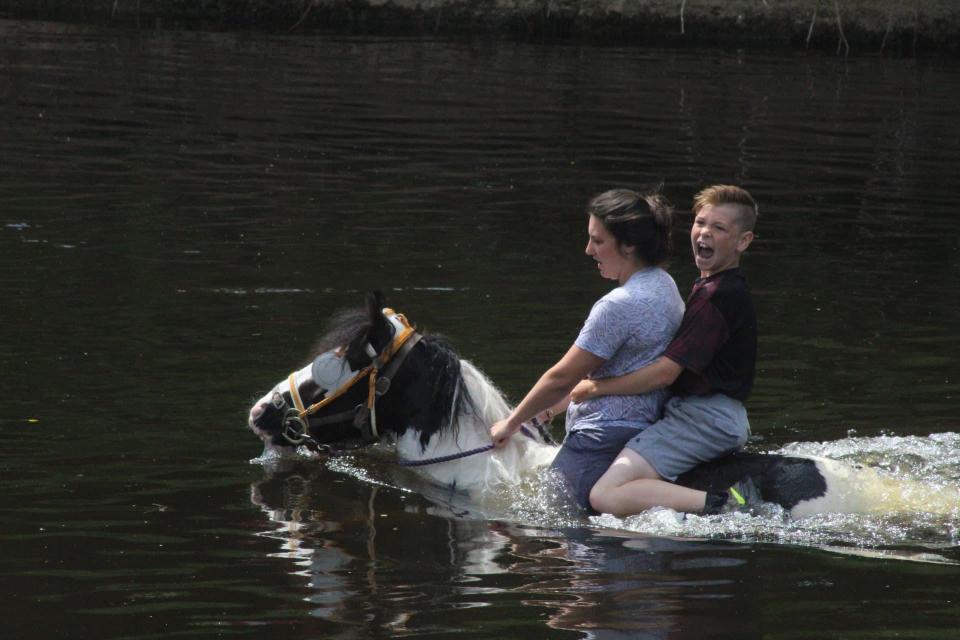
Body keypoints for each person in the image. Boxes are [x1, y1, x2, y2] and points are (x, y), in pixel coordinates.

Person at [570, 184, 759, 516]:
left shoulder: (719, 295)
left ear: (743, 241)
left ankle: (725, 502)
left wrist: (598, 387)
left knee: (604, 495)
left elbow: (665, 372)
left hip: (703, 420)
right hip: (705, 415)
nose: (704, 233)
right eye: (701, 223)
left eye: (719, 228)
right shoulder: (710, 287)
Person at [490, 188, 684, 511]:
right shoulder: (665, 285)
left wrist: (509, 424)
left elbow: (561, 377)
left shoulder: (616, 306)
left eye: (597, 240)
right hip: (646, 433)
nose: (588, 250)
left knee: (539, 519)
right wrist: (550, 410)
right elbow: (624, 369)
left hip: (599, 439)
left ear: (629, 245)